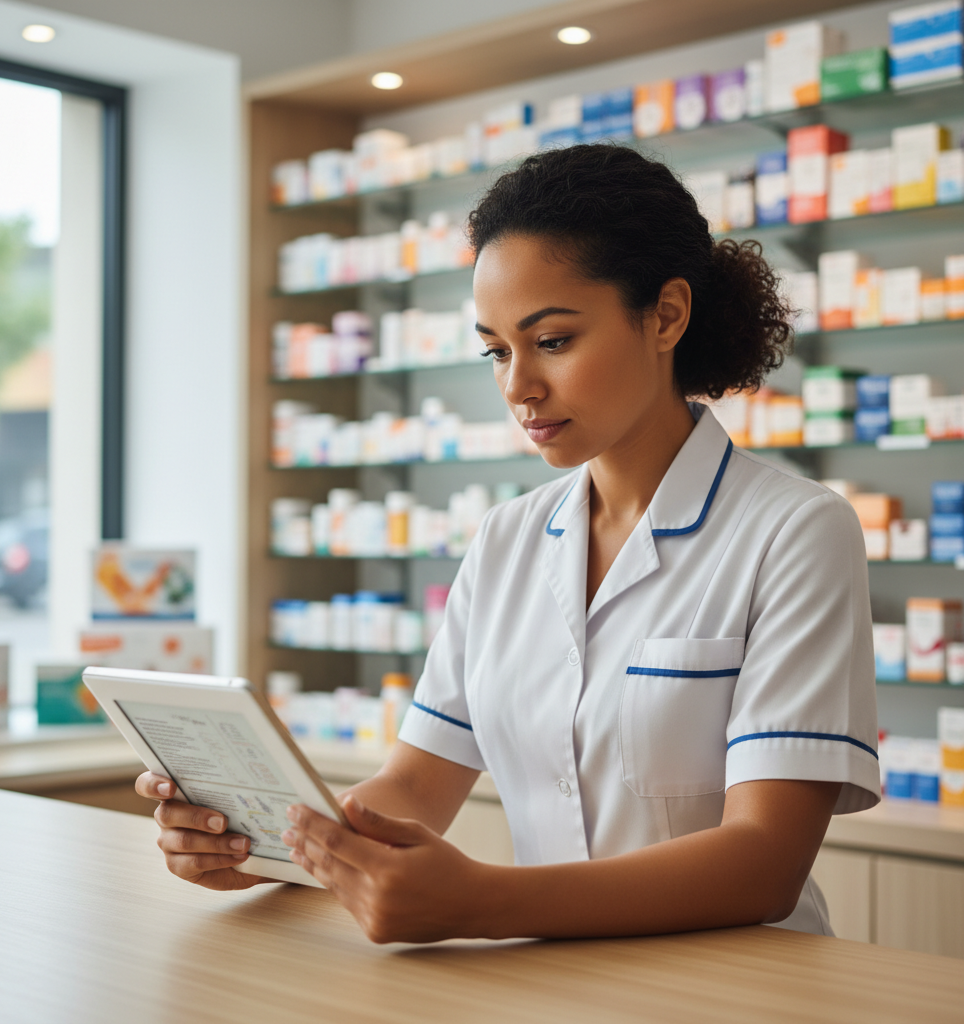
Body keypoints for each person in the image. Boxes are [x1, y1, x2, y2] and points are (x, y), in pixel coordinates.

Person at [137, 144, 880, 944]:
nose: (518, 385)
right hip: (546, 980)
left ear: (666, 315)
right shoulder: (508, 538)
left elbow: (762, 863)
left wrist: (478, 903)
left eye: (552, 340)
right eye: (496, 349)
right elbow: (418, 783)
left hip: (737, 990)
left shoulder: (794, 531)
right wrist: (266, 844)